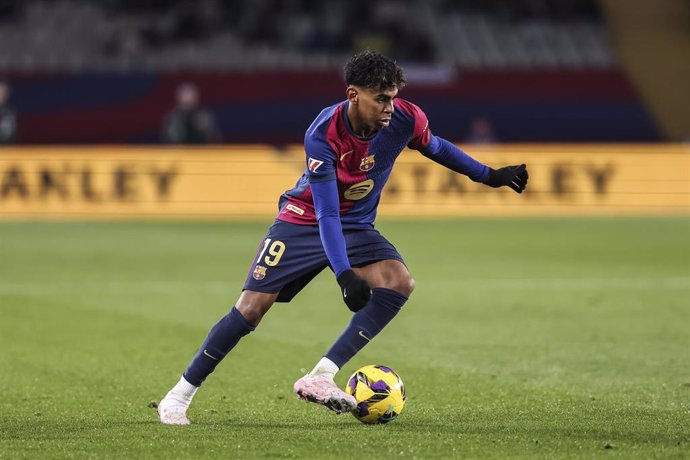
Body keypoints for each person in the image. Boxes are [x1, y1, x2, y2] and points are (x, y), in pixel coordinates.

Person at [157, 51, 528, 425]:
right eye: (380, 98)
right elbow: (327, 212)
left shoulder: (406, 118)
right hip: (302, 220)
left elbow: (436, 146)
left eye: (393, 96)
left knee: (399, 282)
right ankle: (179, 396)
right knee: (251, 308)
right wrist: (344, 275)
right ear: (353, 95)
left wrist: (487, 175)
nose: (389, 107)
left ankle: (320, 375)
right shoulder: (323, 134)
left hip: (356, 226)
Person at [0, 80, 17, 144]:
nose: (1, 94)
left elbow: (10, 134)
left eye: (2, 92)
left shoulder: (9, 112)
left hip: (6, 150)